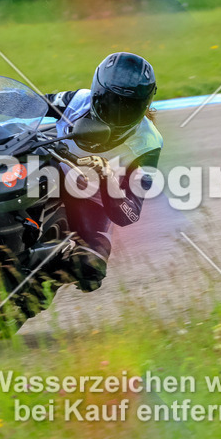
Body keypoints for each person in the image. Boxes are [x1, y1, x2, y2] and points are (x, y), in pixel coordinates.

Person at [44, 52, 163, 291]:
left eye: (127, 107)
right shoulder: (78, 100)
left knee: (91, 269)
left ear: (144, 105)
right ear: (96, 91)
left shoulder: (148, 144)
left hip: (92, 200)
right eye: (109, 101)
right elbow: (29, 102)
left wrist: (107, 177)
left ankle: (37, 284)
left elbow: (130, 214)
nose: (116, 114)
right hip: (52, 171)